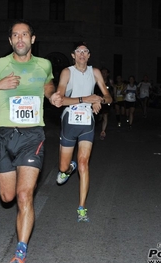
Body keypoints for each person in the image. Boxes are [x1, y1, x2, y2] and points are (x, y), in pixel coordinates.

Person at [0, 19, 62, 263]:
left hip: (33, 135)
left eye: (25, 34)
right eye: (15, 35)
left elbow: (48, 84)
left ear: (33, 39)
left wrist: (52, 94)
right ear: (10, 41)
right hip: (5, 136)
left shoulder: (44, 64)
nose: (20, 39)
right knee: (7, 196)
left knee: (24, 196)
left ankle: (20, 253)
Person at [55, 42, 112, 223]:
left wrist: (99, 100)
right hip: (69, 121)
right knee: (63, 167)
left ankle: (81, 207)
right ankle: (67, 168)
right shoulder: (67, 72)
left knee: (84, 163)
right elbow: (59, 100)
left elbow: (109, 97)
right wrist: (85, 99)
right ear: (73, 55)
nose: (81, 54)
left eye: (85, 52)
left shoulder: (94, 72)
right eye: (78, 52)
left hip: (87, 122)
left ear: (89, 56)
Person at [96, 67, 113, 139]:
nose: (104, 74)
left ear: (108, 74)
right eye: (102, 72)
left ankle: (103, 131)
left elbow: (113, 90)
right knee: (99, 116)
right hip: (97, 101)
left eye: (105, 72)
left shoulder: (110, 81)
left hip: (106, 101)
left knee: (105, 115)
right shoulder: (97, 81)